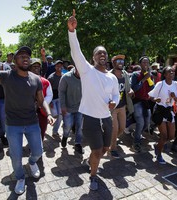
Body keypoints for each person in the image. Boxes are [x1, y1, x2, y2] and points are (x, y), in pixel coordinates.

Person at [0, 45, 54, 195]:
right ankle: (20, 178)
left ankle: (31, 163)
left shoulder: (36, 79)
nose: (25, 58)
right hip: (13, 125)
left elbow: (41, 100)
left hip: (32, 123)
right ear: (15, 60)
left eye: (27, 56)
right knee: (16, 157)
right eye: (21, 56)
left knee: (38, 151)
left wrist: (49, 113)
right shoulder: (7, 76)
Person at [68, 9, 119, 191]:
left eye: (104, 53)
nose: (102, 55)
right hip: (89, 118)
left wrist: (114, 102)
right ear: (93, 57)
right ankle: (93, 175)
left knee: (104, 149)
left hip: (106, 118)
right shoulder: (87, 70)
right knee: (97, 151)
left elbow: (116, 95)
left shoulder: (112, 78)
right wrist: (72, 32)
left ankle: (92, 161)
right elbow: (76, 51)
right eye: (98, 53)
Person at [149, 66, 177, 164]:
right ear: (165, 74)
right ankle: (159, 154)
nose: (172, 73)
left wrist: (175, 97)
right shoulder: (160, 84)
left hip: (169, 111)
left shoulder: (176, 84)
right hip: (160, 110)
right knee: (164, 135)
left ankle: (157, 146)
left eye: (173, 72)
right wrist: (155, 100)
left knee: (171, 136)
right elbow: (151, 96)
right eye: (169, 72)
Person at [109, 54, 134, 158]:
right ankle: (113, 148)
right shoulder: (109, 75)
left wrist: (131, 91)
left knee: (122, 128)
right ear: (113, 63)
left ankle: (112, 141)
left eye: (122, 61)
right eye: (118, 61)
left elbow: (129, 87)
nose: (121, 63)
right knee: (115, 129)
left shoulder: (125, 74)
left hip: (123, 106)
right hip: (113, 107)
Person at [131, 56, 154, 152]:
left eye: (147, 62)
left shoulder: (150, 75)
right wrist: (144, 79)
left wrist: (149, 79)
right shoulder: (135, 75)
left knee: (147, 122)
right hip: (137, 101)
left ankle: (137, 132)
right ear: (140, 64)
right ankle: (136, 143)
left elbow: (152, 89)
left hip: (146, 101)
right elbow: (135, 88)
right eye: (144, 62)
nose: (146, 64)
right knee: (140, 122)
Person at [59, 66, 84, 154]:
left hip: (80, 108)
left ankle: (78, 144)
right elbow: (61, 92)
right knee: (67, 126)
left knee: (79, 127)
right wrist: (63, 106)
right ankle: (65, 136)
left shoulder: (86, 77)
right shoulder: (66, 77)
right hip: (68, 108)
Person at [29, 57, 53, 141]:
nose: (36, 68)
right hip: (29, 111)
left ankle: (40, 144)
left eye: (38, 66)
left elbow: (50, 95)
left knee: (42, 128)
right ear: (29, 68)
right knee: (30, 129)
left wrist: (42, 103)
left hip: (42, 111)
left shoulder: (45, 82)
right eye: (34, 66)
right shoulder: (24, 81)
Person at [47, 60, 64, 138]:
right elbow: (47, 89)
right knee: (55, 115)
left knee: (60, 116)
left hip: (61, 99)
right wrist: (49, 101)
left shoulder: (64, 76)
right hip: (53, 99)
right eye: (57, 65)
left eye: (61, 65)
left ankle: (55, 131)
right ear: (55, 67)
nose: (59, 67)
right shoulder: (51, 77)